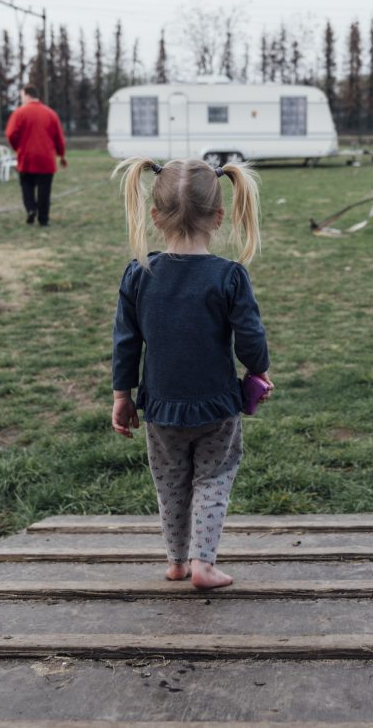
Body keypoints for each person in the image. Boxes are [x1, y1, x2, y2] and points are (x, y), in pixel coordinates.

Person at [110, 158, 272, 590]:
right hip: (218, 406)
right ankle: (204, 563)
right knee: (213, 478)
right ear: (219, 217)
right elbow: (250, 337)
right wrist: (258, 372)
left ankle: (177, 563)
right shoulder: (229, 276)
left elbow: (126, 341)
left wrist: (122, 395)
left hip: (160, 406)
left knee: (170, 483)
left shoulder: (139, 273)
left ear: (155, 216)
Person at [4, 84, 66, 226]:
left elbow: (10, 133)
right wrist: (61, 155)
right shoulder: (51, 114)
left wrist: (17, 147)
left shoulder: (19, 113)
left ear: (27, 95)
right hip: (46, 159)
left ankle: (31, 209)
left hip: (26, 157)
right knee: (44, 190)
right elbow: (59, 138)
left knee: (27, 186)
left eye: (22, 97)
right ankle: (43, 219)